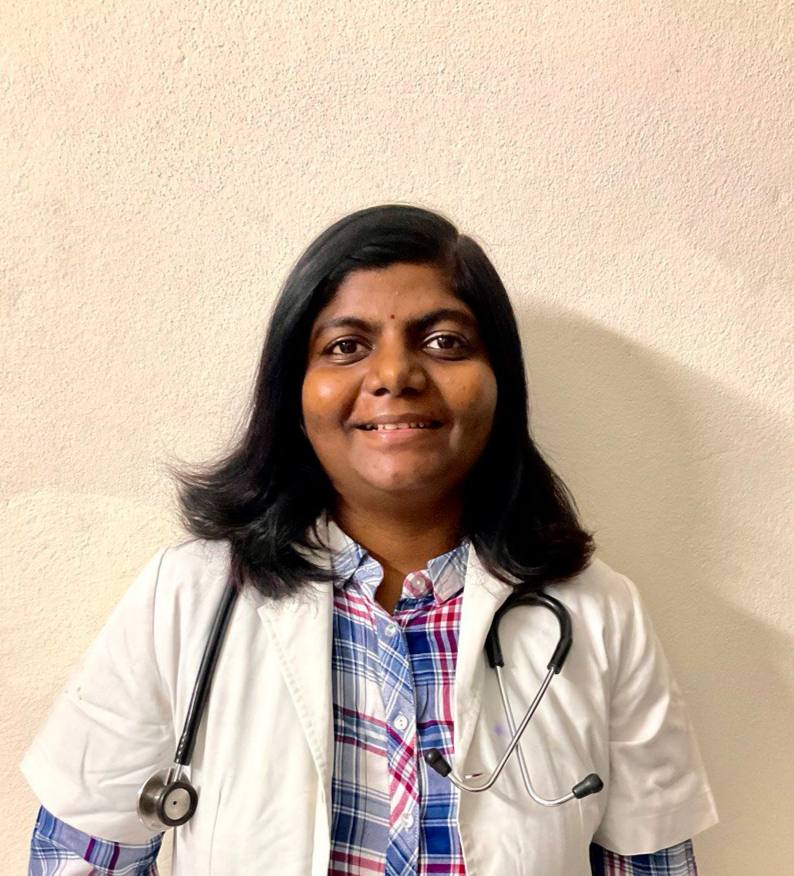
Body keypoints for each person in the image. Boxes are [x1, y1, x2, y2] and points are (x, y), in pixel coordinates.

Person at [23, 205, 718, 875]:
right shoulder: (187, 596)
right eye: (345, 346)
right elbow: (77, 861)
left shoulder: (601, 615)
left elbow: (651, 866)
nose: (394, 376)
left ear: (500, 383)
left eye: (443, 342)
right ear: (294, 391)